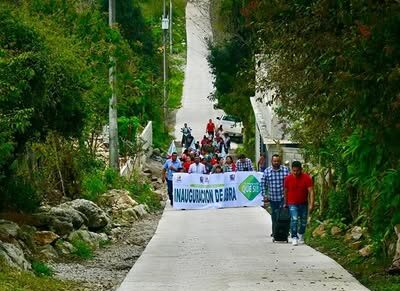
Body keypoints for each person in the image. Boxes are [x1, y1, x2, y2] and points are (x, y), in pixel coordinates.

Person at [284, 161, 315, 246]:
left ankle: (300, 234)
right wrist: (285, 203)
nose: (295, 172)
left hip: (303, 203)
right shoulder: (288, 178)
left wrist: (311, 204)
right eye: (293, 170)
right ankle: (294, 237)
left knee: (304, 221)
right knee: (294, 219)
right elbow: (285, 191)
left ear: (301, 169)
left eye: (297, 171)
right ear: (291, 169)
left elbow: (311, 191)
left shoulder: (306, 178)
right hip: (292, 203)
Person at [261, 154, 290, 237]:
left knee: (283, 216)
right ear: (271, 161)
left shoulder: (285, 170)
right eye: (274, 161)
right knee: (274, 215)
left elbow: (289, 183)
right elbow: (263, 184)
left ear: (280, 161)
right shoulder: (267, 171)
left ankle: (284, 231)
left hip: (283, 198)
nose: (276, 162)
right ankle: (275, 231)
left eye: (278, 161)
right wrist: (265, 195)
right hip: (272, 198)